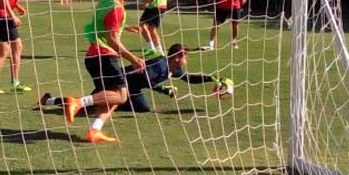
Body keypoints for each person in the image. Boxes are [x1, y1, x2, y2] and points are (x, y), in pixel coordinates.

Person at [62, 0, 145, 143]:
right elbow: (112, 38)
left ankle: (95, 130)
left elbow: (106, 25)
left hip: (94, 55)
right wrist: (134, 59)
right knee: (122, 96)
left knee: (113, 95)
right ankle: (77, 103)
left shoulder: (107, 1)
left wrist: (126, 27)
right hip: (104, 56)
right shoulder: (117, 8)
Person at [39, 43, 234, 113]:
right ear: (177, 57)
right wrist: (163, 89)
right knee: (87, 105)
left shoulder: (173, 69)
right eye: (185, 56)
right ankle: (49, 100)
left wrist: (214, 77)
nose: (186, 59)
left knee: (143, 108)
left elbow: (190, 79)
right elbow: (147, 79)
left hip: (131, 89)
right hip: (117, 81)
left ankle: (114, 104)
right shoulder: (161, 64)